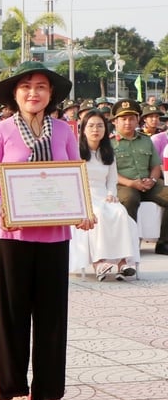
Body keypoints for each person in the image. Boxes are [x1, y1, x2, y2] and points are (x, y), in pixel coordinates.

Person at [0, 61, 94, 400]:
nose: (33, 93)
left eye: (41, 87)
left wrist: (84, 209)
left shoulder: (64, 131)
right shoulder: (0, 132)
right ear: (15, 94)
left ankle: (48, 392)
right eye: (26, 87)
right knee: (12, 314)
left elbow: (75, 175)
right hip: (13, 234)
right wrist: (3, 207)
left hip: (55, 235)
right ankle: (14, 390)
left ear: (51, 95)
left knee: (51, 315)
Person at [77, 109, 139, 280]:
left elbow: (112, 180)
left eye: (99, 126)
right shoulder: (76, 152)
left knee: (120, 213)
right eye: (91, 126)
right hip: (84, 196)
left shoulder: (108, 152)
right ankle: (99, 262)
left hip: (104, 194)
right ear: (83, 129)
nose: (95, 130)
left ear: (105, 129)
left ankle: (123, 262)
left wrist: (112, 194)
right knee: (99, 215)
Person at [110, 99, 168, 255]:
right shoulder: (109, 144)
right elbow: (110, 172)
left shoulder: (146, 140)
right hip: (124, 184)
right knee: (130, 199)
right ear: (115, 122)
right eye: (123, 119)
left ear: (137, 120)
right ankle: (130, 244)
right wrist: (130, 183)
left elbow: (155, 166)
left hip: (148, 183)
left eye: (131, 118)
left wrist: (153, 180)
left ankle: (164, 243)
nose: (128, 122)